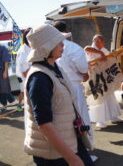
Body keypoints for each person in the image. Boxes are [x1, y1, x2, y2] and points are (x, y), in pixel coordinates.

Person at [24, 24, 94, 166]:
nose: (62, 44)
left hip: (68, 141)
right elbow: (44, 124)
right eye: (58, 42)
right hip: (54, 154)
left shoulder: (54, 68)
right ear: (47, 48)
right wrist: (72, 159)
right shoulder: (39, 78)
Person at [53, 21, 97, 162]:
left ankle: (66, 150)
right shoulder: (74, 48)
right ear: (66, 30)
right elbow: (84, 70)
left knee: (63, 120)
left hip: (57, 87)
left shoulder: (49, 48)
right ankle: (84, 151)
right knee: (80, 119)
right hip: (74, 87)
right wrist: (84, 74)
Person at [85, 34, 123, 130]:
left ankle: (113, 116)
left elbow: (110, 57)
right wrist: (100, 53)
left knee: (110, 95)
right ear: (97, 41)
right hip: (96, 77)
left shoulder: (103, 49)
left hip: (105, 76)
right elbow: (86, 48)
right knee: (99, 97)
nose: (104, 43)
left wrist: (118, 52)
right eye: (102, 41)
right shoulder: (92, 48)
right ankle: (99, 121)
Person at [16, 28, 32, 112]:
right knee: (23, 92)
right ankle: (19, 104)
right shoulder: (23, 52)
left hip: (31, 79)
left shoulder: (32, 48)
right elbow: (25, 72)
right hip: (25, 78)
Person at [0, 44, 15, 113]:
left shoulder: (3, 47)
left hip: (2, 70)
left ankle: (7, 103)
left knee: (4, 88)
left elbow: (6, 61)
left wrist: (5, 71)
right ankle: (7, 102)